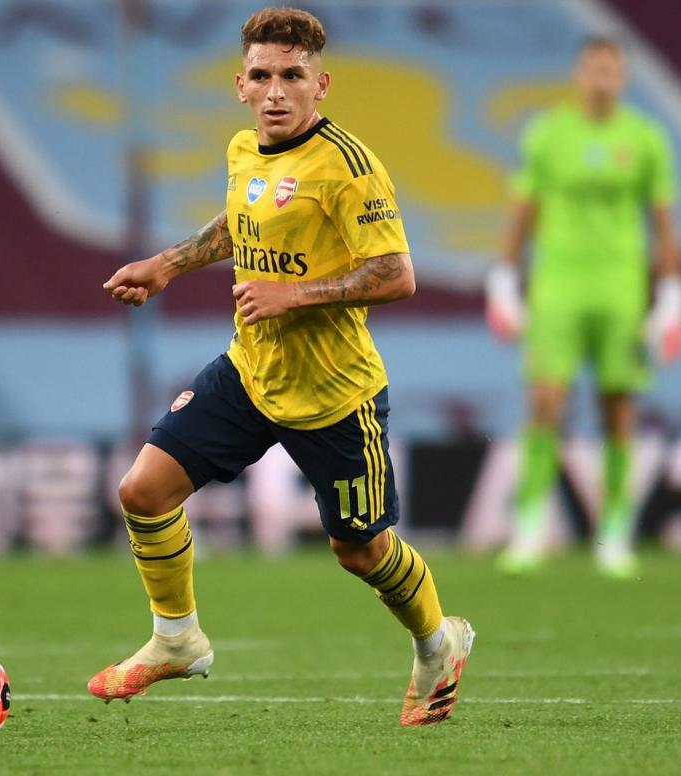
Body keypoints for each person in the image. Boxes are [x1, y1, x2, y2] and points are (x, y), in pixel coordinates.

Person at [89, 7, 473, 727]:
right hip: (250, 372)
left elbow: (395, 275)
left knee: (359, 551)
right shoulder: (243, 151)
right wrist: (167, 265)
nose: (275, 91)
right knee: (142, 491)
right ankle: (177, 640)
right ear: (239, 84)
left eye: (292, 76)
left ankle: (437, 642)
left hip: (334, 394)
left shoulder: (349, 167)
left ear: (320, 84)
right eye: (262, 76)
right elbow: (240, 222)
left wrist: (294, 294)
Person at [485, 36, 681, 578]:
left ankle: (616, 531)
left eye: (610, 69)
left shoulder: (646, 139)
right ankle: (530, 526)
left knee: (617, 408)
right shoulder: (549, 133)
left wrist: (673, 294)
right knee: (547, 400)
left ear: (623, 77)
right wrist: (504, 278)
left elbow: (664, 221)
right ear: (579, 74)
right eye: (593, 68)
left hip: (621, 286)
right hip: (558, 285)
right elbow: (523, 210)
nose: (601, 77)